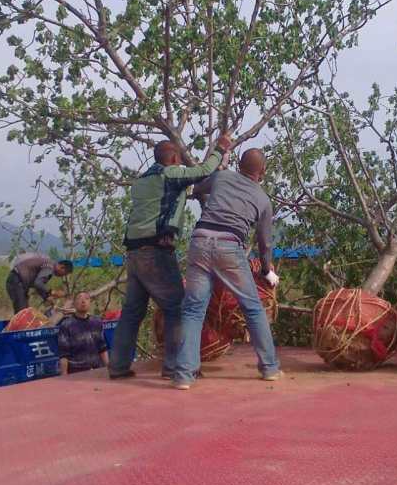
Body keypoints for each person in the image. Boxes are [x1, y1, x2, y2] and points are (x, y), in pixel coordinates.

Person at [108, 135, 232, 380]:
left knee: (132, 311)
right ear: (174, 159)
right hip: (156, 251)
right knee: (176, 308)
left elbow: (177, 194)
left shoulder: (141, 182)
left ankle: (118, 366)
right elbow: (204, 170)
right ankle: (175, 366)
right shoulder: (170, 175)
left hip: (134, 252)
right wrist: (220, 149)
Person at [173, 148, 281, 390]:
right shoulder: (263, 200)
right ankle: (270, 368)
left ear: (239, 165)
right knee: (253, 308)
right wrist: (266, 271)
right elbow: (265, 244)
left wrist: (219, 169)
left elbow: (198, 188)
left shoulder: (222, 177)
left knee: (193, 310)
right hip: (229, 247)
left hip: (200, 241)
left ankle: (183, 375)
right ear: (262, 172)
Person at [58, 292, 109, 375]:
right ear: (74, 304)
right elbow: (64, 354)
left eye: (86, 298)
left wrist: (108, 367)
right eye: (79, 298)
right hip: (76, 372)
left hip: (97, 369)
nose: (83, 301)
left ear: (90, 303)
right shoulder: (66, 325)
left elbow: (102, 348)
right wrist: (64, 374)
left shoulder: (97, 322)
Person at [5, 253, 73, 315]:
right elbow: (38, 283)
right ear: (62, 267)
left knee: (24, 310)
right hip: (16, 281)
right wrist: (52, 292)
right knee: (21, 311)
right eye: (64, 273)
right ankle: (18, 328)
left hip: (19, 282)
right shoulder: (49, 267)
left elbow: (38, 286)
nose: (62, 276)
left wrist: (46, 297)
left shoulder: (49, 266)